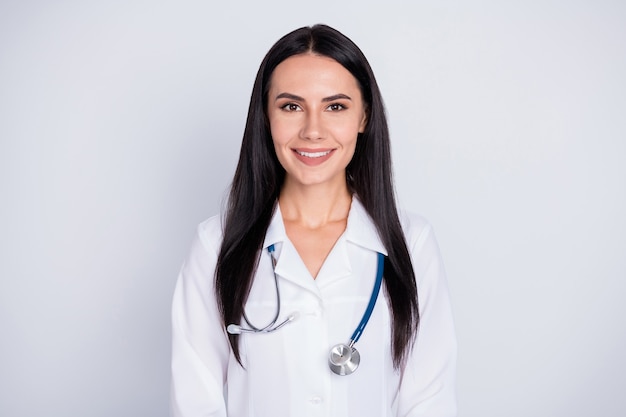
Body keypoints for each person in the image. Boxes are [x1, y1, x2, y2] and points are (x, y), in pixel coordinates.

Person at [170, 24, 456, 417]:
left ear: (364, 117)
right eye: (291, 106)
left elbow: (429, 400)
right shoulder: (216, 244)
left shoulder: (412, 243)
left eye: (335, 106)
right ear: (266, 116)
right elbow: (196, 399)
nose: (313, 130)